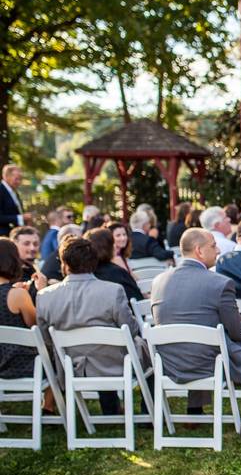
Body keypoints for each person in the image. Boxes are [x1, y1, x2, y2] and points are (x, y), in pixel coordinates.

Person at [152, 228, 241, 437]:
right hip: (209, 364)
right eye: (213, 245)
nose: (218, 249)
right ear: (199, 250)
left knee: (199, 342)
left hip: (170, 362)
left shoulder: (158, 281)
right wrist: (240, 326)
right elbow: (236, 332)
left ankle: (194, 412)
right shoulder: (219, 283)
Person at [36, 237, 150, 417]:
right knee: (149, 351)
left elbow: (45, 340)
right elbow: (131, 329)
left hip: (71, 369)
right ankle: (147, 414)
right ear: (93, 262)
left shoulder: (45, 296)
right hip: (116, 366)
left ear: (64, 264)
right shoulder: (113, 291)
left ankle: (111, 410)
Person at [0, 238, 43, 380]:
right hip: (22, 364)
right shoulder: (18, 295)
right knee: (60, 359)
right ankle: (48, 403)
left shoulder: (16, 293)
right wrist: (42, 292)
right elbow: (37, 326)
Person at [86, 228, 143, 301]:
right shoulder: (117, 272)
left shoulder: (87, 272)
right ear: (107, 246)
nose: (115, 246)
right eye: (113, 243)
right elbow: (137, 299)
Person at [0, 164, 29, 237]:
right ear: (6, 176)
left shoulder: (14, 192)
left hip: (13, 234)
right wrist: (20, 217)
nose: (19, 182)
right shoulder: (1, 190)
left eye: (20, 179)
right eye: (16, 179)